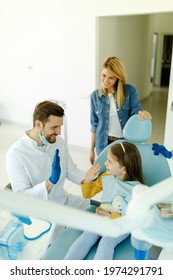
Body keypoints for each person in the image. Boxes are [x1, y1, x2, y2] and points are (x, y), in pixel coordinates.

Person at [64, 141, 145, 260]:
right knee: (87, 235)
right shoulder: (106, 177)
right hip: (101, 218)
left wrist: (109, 215)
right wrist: (87, 180)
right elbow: (88, 194)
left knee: (106, 242)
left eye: (110, 161)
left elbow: (133, 215)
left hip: (120, 225)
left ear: (123, 169)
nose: (105, 163)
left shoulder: (136, 189)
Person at [6, 100, 90, 210]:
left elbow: (71, 171)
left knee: (103, 212)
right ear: (38, 124)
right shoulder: (16, 154)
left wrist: (91, 179)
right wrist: (50, 183)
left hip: (62, 201)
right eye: (54, 127)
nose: (59, 132)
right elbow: (22, 197)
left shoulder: (58, 141)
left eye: (60, 126)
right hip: (40, 211)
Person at [90, 56, 152, 164]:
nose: (106, 80)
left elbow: (136, 113)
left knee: (124, 173)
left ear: (118, 78)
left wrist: (143, 115)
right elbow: (94, 125)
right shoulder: (95, 96)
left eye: (111, 78)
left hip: (124, 143)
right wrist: (91, 150)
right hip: (103, 145)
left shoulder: (129, 91)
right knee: (106, 176)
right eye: (104, 75)